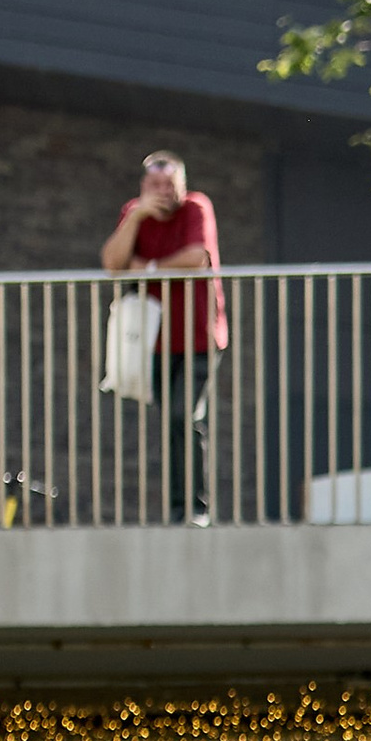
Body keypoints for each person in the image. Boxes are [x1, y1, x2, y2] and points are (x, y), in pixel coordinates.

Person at [101, 147, 226, 522]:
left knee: (183, 415)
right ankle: (178, 509)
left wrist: (147, 268)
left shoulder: (196, 207)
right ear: (144, 186)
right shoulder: (134, 213)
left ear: (182, 185)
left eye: (169, 184)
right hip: (155, 342)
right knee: (172, 423)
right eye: (155, 185)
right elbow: (113, 264)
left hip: (200, 338)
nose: (162, 192)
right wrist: (136, 217)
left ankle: (196, 509)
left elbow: (196, 258)